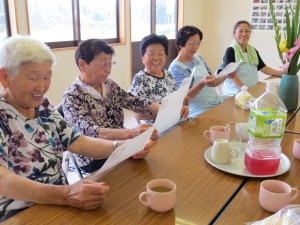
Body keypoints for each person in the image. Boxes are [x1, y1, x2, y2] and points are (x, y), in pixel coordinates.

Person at [0, 35, 151, 221]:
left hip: (57, 199)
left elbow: (77, 141)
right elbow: (3, 180)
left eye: (47, 77)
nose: (42, 87)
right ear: (5, 77)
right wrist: (66, 194)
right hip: (19, 212)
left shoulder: (43, 106)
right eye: (33, 78)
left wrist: (124, 147)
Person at [62, 39, 187, 173]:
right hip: (94, 156)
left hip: (120, 144)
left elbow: (134, 101)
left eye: (111, 64)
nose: (108, 70)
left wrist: (170, 108)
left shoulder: (108, 85)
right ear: (83, 65)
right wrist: (129, 133)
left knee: (156, 162)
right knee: (140, 173)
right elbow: (91, 132)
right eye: (103, 64)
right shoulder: (72, 96)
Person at [169, 25, 236, 118]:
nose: (195, 47)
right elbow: (182, 98)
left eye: (198, 43)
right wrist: (201, 83)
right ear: (180, 44)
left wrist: (226, 75)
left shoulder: (198, 58)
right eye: (191, 43)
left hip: (216, 102)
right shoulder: (175, 68)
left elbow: (213, 82)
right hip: (199, 111)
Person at [128, 33, 189, 123]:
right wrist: (171, 112)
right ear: (142, 58)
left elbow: (175, 99)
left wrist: (183, 103)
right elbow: (139, 114)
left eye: (160, 54)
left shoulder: (167, 74)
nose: (156, 57)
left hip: (177, 121)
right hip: (158, 129)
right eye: (151, 54)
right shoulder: (140, 79)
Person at [217, 20, 285, 96]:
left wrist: (280, 73)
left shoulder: (253, 50)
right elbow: (232, 76)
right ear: (234, 34)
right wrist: (245, 91)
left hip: (251, 89)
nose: (244, 34)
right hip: (236, 93)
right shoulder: (230, 51)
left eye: (247, 31)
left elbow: (263, 67)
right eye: (240, 31)